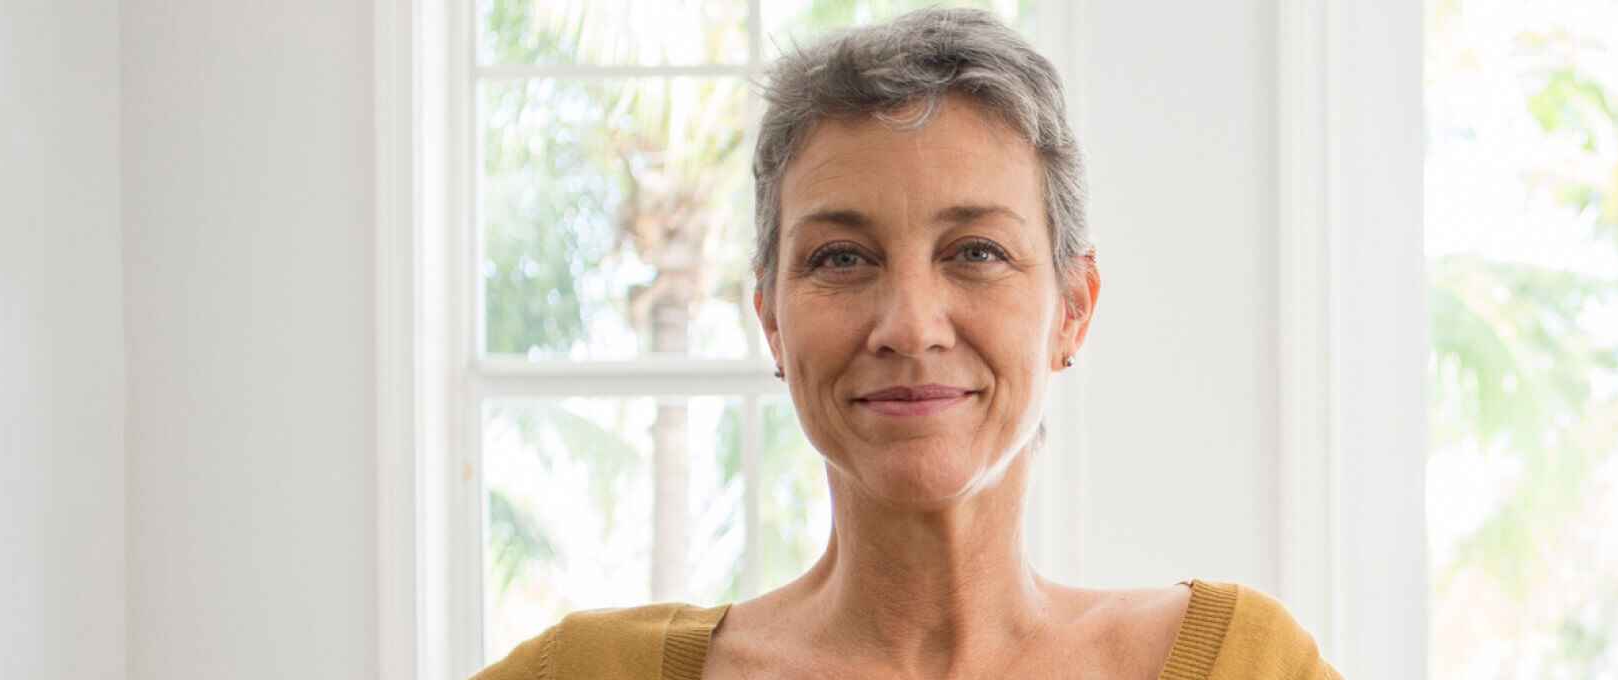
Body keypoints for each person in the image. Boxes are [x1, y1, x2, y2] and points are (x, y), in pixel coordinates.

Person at [474, 8, 1336, 679]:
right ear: (771, 317)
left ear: (1074, 306)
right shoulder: (589, 676)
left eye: (976, 252)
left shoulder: (1241, 665)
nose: (910, 326)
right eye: (841, 258)